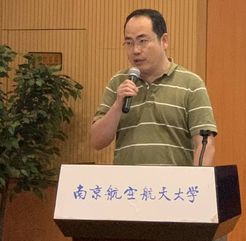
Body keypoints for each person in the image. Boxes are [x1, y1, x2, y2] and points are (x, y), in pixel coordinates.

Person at [91, 9, 217, 166]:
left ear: (164, 41)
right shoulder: (118, 82)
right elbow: (97, 141)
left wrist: (197, 179)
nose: (135, 50)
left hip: (173, 181)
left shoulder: (191, 84)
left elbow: (205, 144)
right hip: (127, 181)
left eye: (143, 41)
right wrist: (117, 105)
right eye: (129, 43)